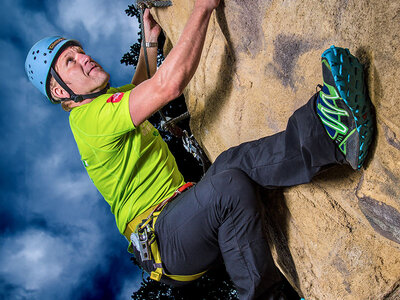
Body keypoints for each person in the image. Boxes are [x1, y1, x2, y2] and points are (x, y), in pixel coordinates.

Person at [25, 0, 374, 299]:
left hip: (180, 214)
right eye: (70, 62)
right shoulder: (86, 119)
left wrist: (149, 41)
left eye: (80, 51)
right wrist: (203, 7)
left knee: (230, 163)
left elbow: (142, 88)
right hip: (166, 240)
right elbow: (168, 86)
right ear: (59, 92)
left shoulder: (101, 108)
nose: (85, 58)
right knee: (227, 188)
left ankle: (334, 132)